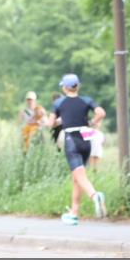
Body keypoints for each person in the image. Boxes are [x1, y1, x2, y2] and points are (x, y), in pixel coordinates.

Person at [46, 74, 107, 225]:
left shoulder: (59, 102)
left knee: (79, 176)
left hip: (71, 139)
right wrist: (92, 122)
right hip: (86, 139)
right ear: (77, 86)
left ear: (65, 87)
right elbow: (101, 113)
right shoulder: (86, 100)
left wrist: (57, 121)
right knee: (77, 177)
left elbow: (50, 123)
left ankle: (95, 196)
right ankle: (74, 213)